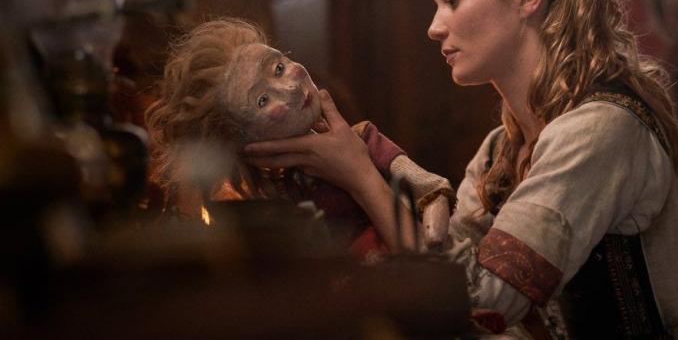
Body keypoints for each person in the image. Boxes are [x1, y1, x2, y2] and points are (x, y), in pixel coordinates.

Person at [243, 0, 678, 338]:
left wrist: (359, 173)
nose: (433, 28)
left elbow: (483, 301)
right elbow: (448, 265)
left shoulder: (600, 129)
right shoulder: (500, 149)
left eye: (452, 0)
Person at [144, 18, 452, 260]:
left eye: (279, 68)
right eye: (262, 100)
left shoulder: (362, 139)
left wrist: (433, 207)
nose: (289, 88)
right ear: (243, 137)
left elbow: (424, 187)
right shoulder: (265, 191)